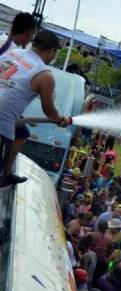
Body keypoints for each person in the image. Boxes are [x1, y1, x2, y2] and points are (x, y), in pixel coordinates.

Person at [0, 29, 70, 186]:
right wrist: (60, 119)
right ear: (52, 51)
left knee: (22, 131)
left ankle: (7, 172)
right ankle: (2, 175)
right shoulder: (44, 74)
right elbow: (49, 110)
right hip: (2, 125)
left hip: (8, 118)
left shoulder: (13, 53)